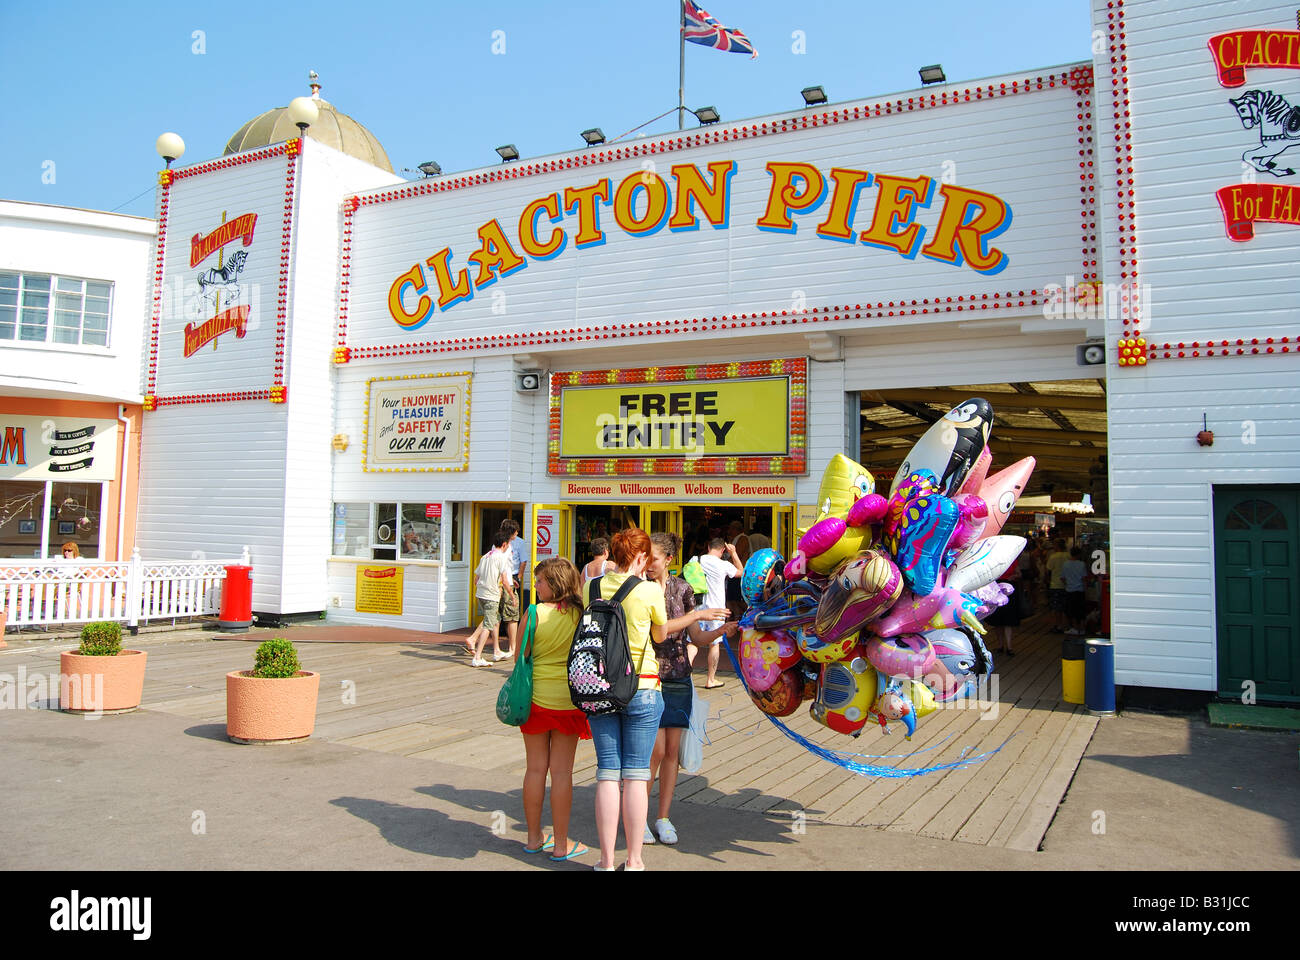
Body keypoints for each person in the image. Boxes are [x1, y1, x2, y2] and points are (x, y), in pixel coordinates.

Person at [585, 527, 666, 872]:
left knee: (606, 773)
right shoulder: (648, 590)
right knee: (635, 775)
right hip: (642, 687)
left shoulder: (590, 586)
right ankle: (633, 861)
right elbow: (660, 635)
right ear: (640, 557)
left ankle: (605, 861)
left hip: (599, 687)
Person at [644, 532, 732, 846]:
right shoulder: (639, 589)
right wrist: (697, 615)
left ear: (668, 559)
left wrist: (723, 629)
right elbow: (659, 633)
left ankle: (663, 817)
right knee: (652, 752)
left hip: (679, 675)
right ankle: (639, 815)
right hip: (648, 677)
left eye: (652, 557)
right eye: (645, 557)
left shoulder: (682, 588)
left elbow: (697, 637)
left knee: (671, 753)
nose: (648, 563)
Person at [517, 557, 590, 863]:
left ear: (555, 583)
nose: (535, 585)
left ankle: (534, 839)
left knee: (535, 769)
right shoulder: (579, 615)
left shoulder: (533, 613)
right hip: (569, 700)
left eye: (540, 580)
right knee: (562, 773)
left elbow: (521, 656)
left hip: (536, 698)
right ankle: (561, 844)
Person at [697, 537, 743, 689]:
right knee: (714, 644)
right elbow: (741, 572)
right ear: (723, 550)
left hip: (698, 608)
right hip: (717, 609)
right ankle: (710, 679)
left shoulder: (695, 559)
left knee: (692, 643)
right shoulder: (723, 564)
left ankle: (684, 676)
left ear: (708, 546)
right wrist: (734, 553)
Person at [467, 533, 514, 665]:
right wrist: (511, 596)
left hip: (480, 594)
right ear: (504, 544)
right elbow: (505, 581)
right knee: (488, 624)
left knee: (495, 619)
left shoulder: (486, 556)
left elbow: (476, 578)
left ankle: (497, 650)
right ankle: (477, 657)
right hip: (491, 595)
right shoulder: (501, 558)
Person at [499, 518, 528, 659]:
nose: (517, 533)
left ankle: (511, 645)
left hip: (512, 577)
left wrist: (519, 577)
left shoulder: (519, 543)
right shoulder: (501, 543)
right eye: (516, 531)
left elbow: (523, 561)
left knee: (510, 611)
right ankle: (510, 646)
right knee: (507, 612)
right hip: (502, 579)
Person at [986, 552, 1021, 656]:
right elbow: (1019, 574)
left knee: (1000, 620)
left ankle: (1003, 645)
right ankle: (1007, 646)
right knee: (1004, 620)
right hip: (1006, 589)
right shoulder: (1012, 561)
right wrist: (1012, 577)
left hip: (999, 589)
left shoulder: (993, 562)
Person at [1045, 538, 1071, 633]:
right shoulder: (1068, 556)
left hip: (1055, 584)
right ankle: (1065, 625)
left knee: (1055, 608)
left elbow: (1048, 570)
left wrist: (1047, 580)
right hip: (1067, 585)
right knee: (1065, 608)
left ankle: (1056, 625)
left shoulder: (1053, 557)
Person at [1062, 546, 1088, 635]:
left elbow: (1063, 578)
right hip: (1080, 590)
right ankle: (1082, 628)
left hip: (1070, 590)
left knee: (1071, 610)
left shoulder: (1066, 564)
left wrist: (1067, 584)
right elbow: (1084, 578)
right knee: (1081, 610)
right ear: (1079, 554)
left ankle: (1075, 628)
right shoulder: (1082, 564)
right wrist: (1085, 589)